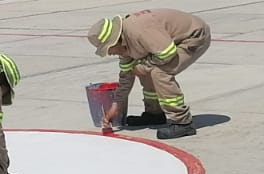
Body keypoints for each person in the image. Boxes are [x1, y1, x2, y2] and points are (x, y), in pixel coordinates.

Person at [86, 9, 212, 140]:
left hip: (194, 36)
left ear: (115, 41)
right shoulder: (124, 45)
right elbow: (126, 74)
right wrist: (116, 105)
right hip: (168, 44)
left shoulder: (139, 30)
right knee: (145, 70)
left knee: (159, 71)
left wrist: (143, 67)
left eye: (108, 49)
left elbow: (167, 53)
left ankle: (183, 122)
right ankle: (154, 114)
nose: (109, 54)